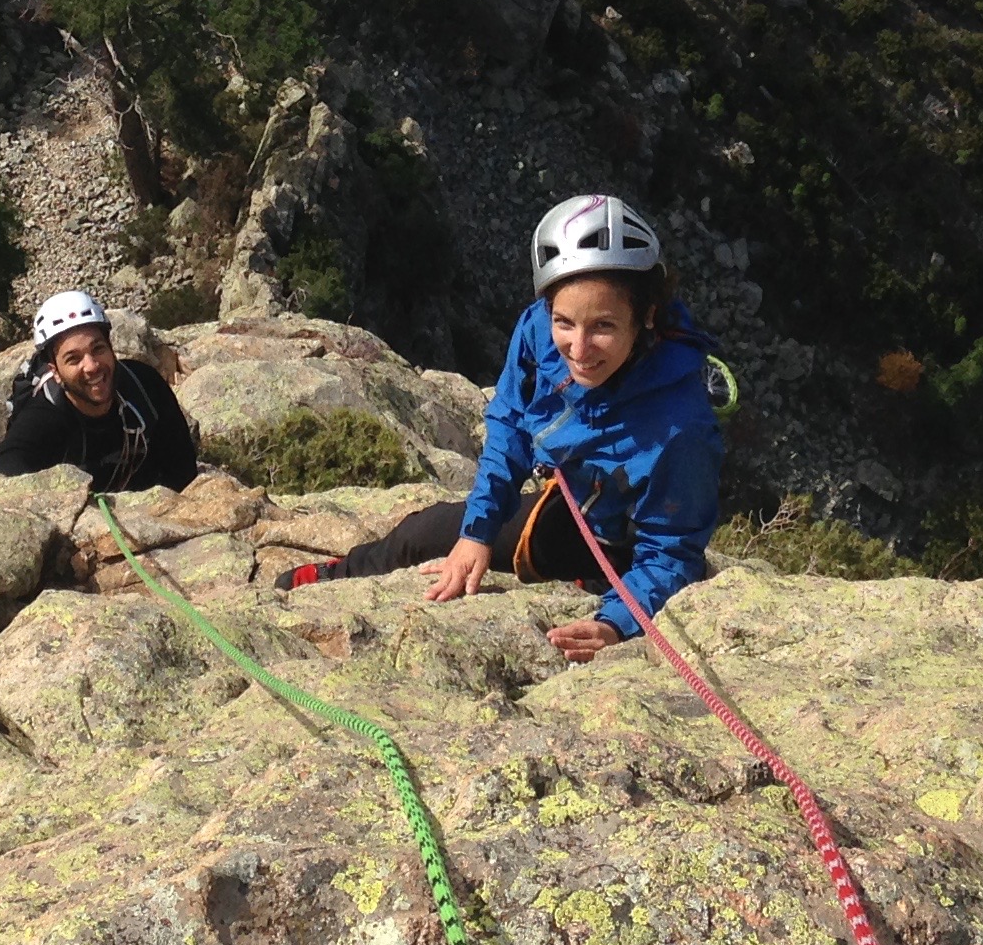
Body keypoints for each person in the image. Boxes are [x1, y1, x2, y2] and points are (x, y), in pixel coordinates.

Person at [275, 194, 723, 664]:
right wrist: (478, 532)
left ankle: (579, 578)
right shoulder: (537, 333)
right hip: (576, 513)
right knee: (423, 533)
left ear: (647, 316)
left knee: (434, 535)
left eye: (604, 326)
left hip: (624, 555)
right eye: (565, 321)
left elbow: (670, 554)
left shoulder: (679, 428)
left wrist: (616, 622)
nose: (579, 346)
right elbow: (509, 424)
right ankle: (339, 575)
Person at [0, 289, 200, 493]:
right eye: (74, 359)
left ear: (111, 348)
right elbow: (2, 480)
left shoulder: (145, 387)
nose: (91, 366)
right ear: (55, 372)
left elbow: (183, 473)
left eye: (98, 349)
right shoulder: (43, 419)